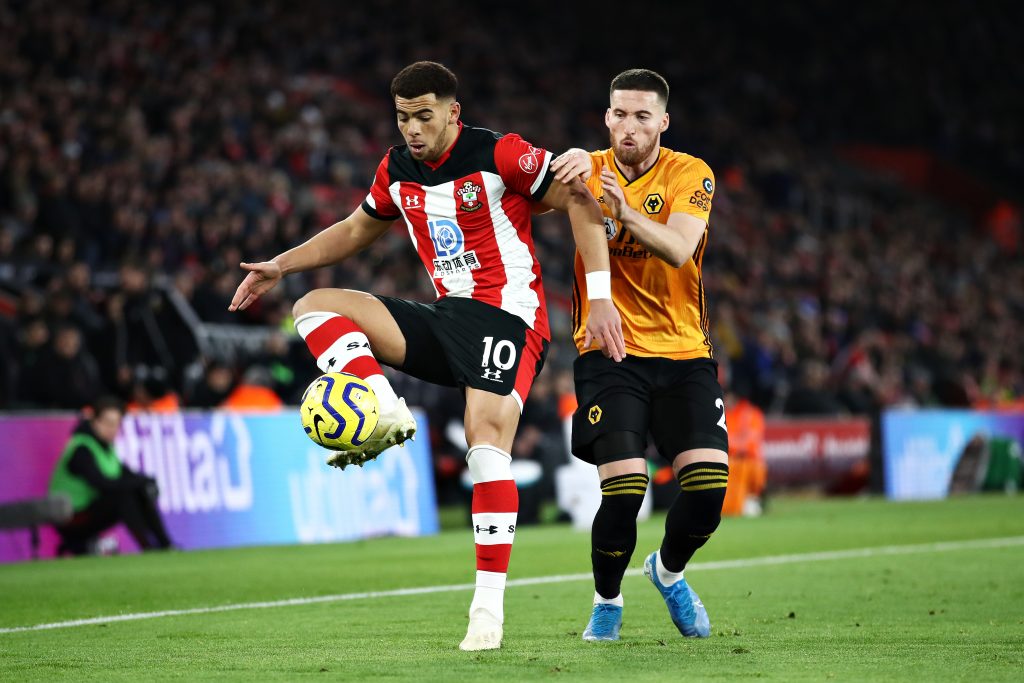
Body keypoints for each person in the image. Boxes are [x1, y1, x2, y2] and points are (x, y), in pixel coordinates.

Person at [229, 61, 625, 651]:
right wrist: (280, 265)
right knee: (315, 306)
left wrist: (598, 300)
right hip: (445, 317)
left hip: (508, 315)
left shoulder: (500, 153)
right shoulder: (397, 168)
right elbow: (355, 230)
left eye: (423, 115)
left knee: (483, 440)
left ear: (452, 113)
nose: (412, 128)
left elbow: (580, 199)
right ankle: (382, 405)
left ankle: (486, 611)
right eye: (402, 117)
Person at [550, 68, 729, 641]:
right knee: (625, 487)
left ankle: (668, 572)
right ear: (607, 117)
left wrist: (625, 212)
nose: (630, 126)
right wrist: (569, 163)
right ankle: (608, 600)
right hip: (610, 350)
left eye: (642, 116)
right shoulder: (586, 170)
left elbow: (679, 248)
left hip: (683, 350)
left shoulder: (690, 172)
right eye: (620, 114)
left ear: (663, 122)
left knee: (706, 491)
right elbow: (534, 183)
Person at [49, 395, 174, 555]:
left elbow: (124, 473)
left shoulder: (105, 447)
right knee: (124, 497)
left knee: (138, 491)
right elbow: (101, 483)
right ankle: (148, 548)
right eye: (108, 423)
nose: (112, 429)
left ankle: (166, 545)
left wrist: (146, 481)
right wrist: (139, 483)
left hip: (87, 512)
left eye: (116, 424)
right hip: (70, 517)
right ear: (94, 421)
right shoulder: (82, 449)